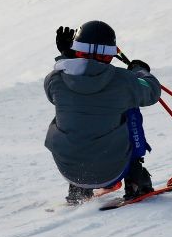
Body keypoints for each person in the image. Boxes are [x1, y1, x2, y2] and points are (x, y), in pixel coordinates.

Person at [43, 20, 161, 205]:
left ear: (77, 50)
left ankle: (79, 189)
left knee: (70, 111)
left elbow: (60, 87)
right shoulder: (123, 81)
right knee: (131, 110)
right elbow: (152, 92)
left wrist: (66, 56)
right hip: (113, 169)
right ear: (109, 56)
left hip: (70, 172)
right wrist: (140, 71)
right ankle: (136, 180)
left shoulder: (55, 79)